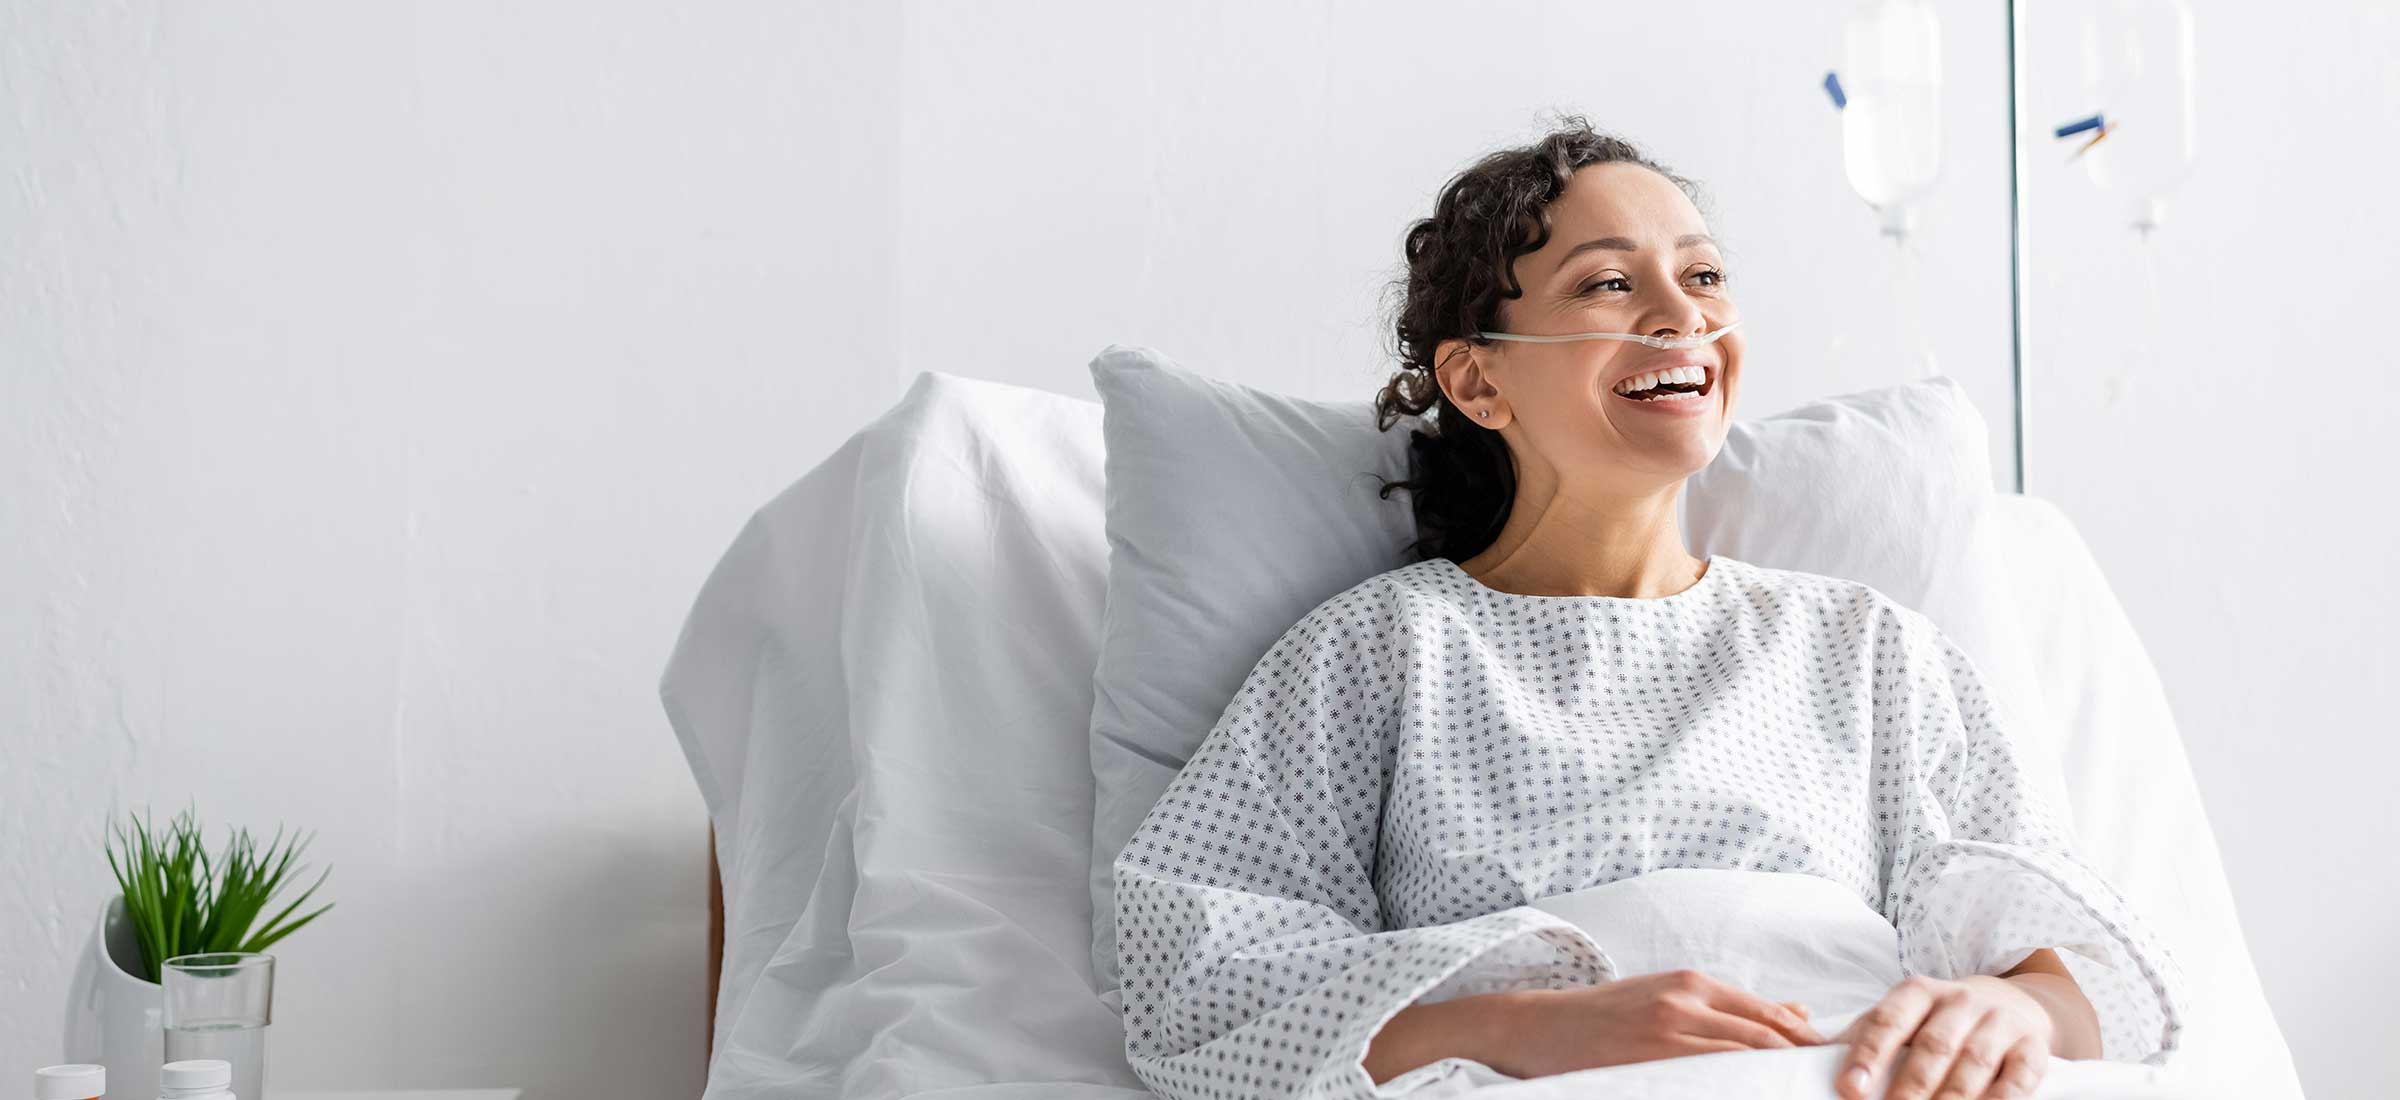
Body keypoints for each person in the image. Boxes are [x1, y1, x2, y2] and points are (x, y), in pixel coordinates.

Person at [1110, 116, 2187, 1100]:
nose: (1684, 316)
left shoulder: (1865, 647)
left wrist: (2013, 1009)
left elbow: (2083, 982)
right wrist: (1528, 1028)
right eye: (1609, 284)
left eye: (1704, 274)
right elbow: (1195, 992)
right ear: (1479, 382)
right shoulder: (1381, 650)